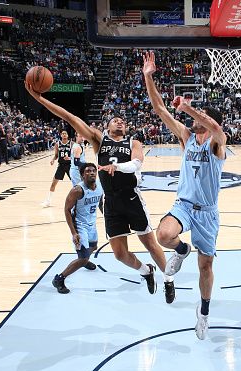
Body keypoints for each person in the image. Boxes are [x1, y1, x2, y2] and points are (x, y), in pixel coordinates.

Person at [25, 81, 174, 304]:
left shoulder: (133, 141)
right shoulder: (99, 139)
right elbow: (69, 117)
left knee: (150, 244)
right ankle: (145, 271)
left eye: (122, 121)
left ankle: (169, 280)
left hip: (132, 198)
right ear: (106, 126)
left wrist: (119, 167)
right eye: (115, 120)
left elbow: (137, 162)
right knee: (120, 254)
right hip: (111, 202)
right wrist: (39, 99)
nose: (120, 121)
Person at [143, 51, 226, 339]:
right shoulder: (186, 138)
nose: (194, 118)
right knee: (163, 235)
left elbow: (215, 128)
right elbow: (160, 110)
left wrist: (187, 107)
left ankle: (203, 311)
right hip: (184, 206)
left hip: (208, 212)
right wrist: (148, 76)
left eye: (199, 116)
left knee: (206, 266)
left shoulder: (217, 143)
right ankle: (181, 250)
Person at [52, 163, 103, 294]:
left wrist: (108, 218)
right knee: (83, 257)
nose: (91, 173)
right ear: (82, 175)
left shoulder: (100, 186)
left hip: (92, 224)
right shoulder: (77, 190)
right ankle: (59, 279)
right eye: (88, 171)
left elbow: (101, 203)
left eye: (93, 171)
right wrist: (74, 233)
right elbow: (67, 210)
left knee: (93, 247)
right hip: (80, 226)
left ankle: (84, 261)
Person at [42, 131, 72, 207]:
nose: (64, 134)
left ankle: (80, 200)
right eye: (63, 133)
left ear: (67, 135)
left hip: (70, 165)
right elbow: (56, 155)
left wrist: (70, 158)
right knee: (53, 183)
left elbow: (75, 155)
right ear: (61, 135)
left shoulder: (72, 144)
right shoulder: (57, 144)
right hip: (61, 165)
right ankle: (48, 201)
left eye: (65, 133)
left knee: (75, 183)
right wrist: (53, 160)